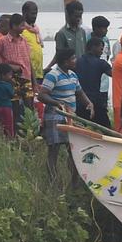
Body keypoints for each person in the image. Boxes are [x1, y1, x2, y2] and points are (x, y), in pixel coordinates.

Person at [39, 48, 93, 184]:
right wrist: (56, 103)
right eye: (73, 59)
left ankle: (74, 184)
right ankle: (53, 182)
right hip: (55, 116)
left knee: (73, 151)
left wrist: (89, 103)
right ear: (64, 61)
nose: (75, 61)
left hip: (70, 116)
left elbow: (79, 92)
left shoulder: (73, 75)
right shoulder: (53, 75)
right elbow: (42, 95)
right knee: (54, 150)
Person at [76, 37, 112, 127]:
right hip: (95, 101)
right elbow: (113, 74)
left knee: (82, 129)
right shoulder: (101, 63)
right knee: (107, 129)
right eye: (101, 49)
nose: (101, 52)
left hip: (80, 101)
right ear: (93, 47)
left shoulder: (77, 61)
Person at [51, 0, 88, 64]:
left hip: (82, 69)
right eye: (76, 16)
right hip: (69, 70)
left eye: (80, 16)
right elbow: (59, 56)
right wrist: (49, 67)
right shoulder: (62, 33)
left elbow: (85, 52)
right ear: (68, 15)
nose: (78, 19)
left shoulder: (82, 32)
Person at [21, 1, 44, 83]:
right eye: (32, 13)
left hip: (39, 73)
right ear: (24, 13)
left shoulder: (35, 30)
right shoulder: (21, 30)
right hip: (27, 74)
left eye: (36, 14)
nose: (34, 16)